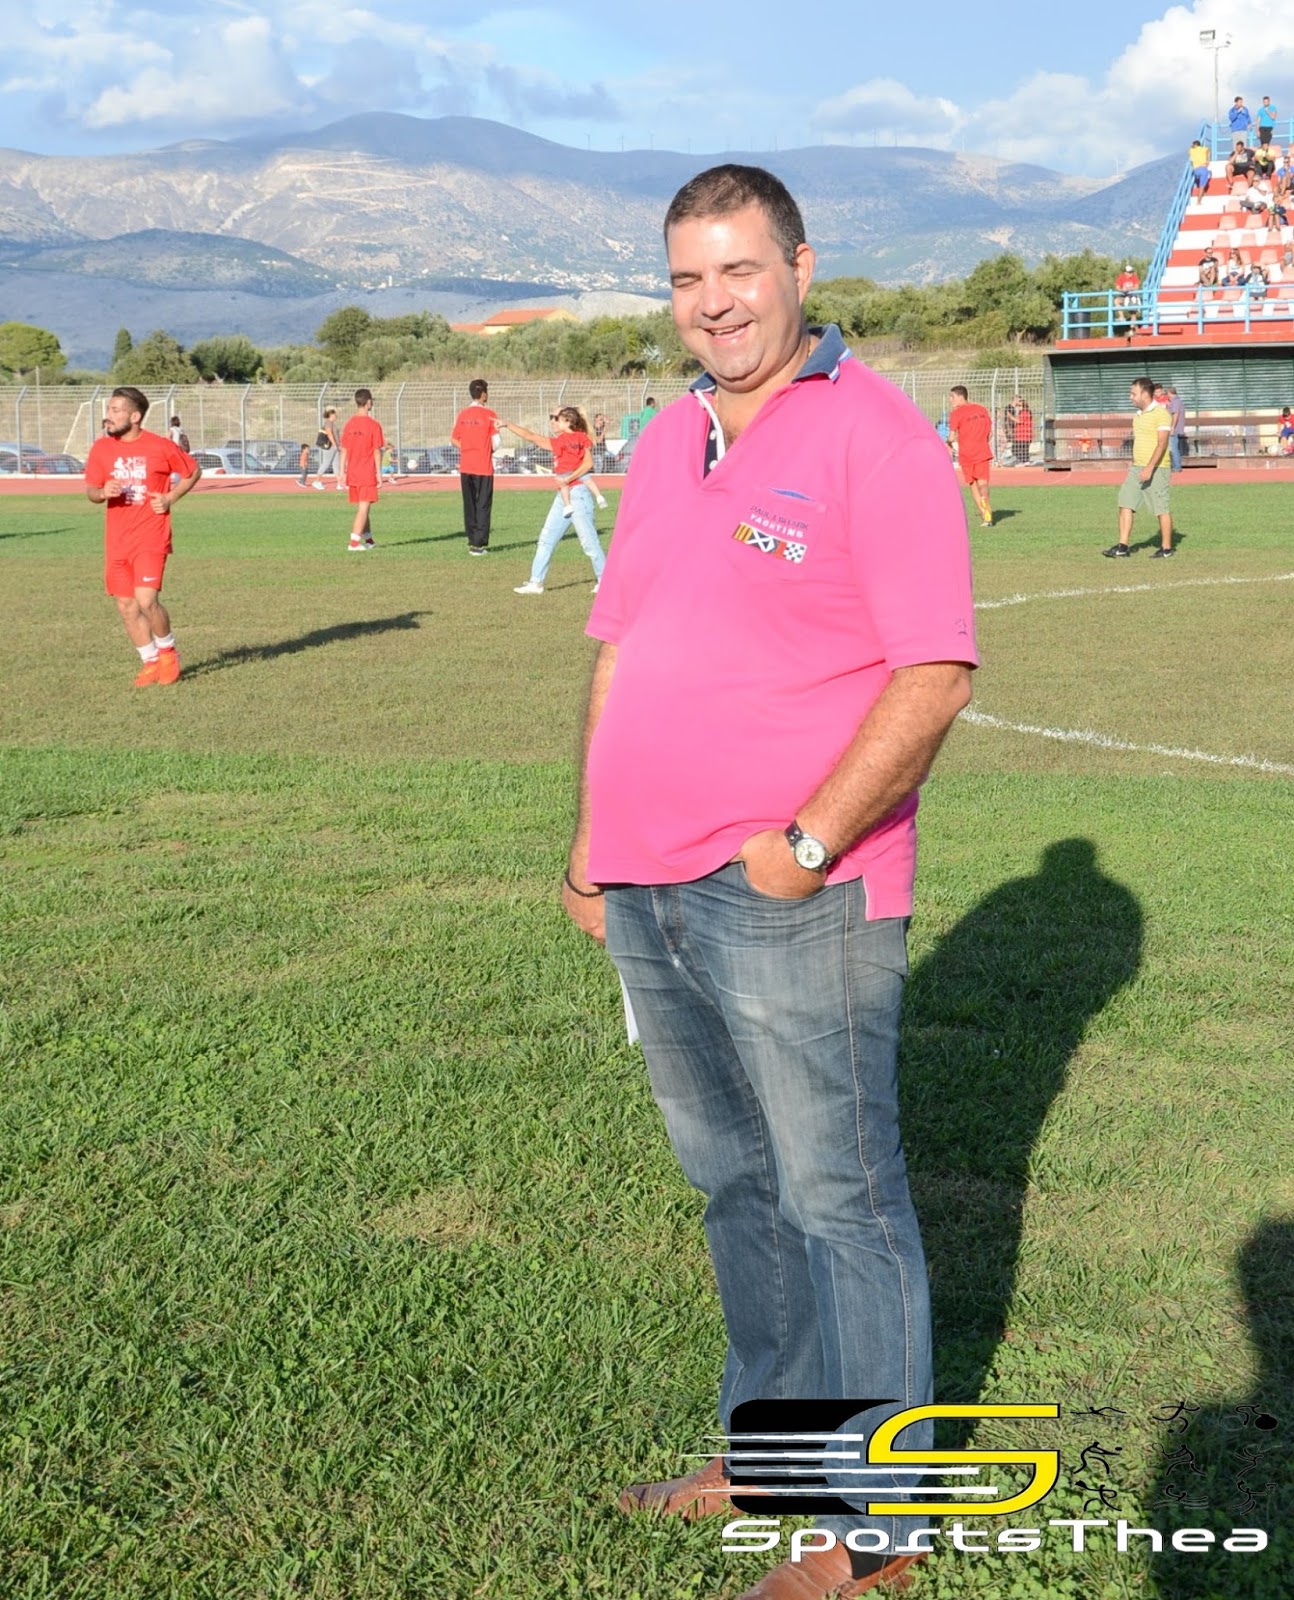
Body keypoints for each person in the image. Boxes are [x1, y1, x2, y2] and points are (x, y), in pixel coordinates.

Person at [564, 163, 977, 1600]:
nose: (713, 302)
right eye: (687, 278)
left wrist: (805, 845)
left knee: (836, 1197)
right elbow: (620, 646)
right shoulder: (666, 437)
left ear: (800, 267)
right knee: (735, 1184)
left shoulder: (876, 437)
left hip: (791, 891)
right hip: (646, 881)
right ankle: (771, 1455)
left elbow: (933, 674)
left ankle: (875, 1532)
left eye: (738, 269)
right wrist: (588, 842)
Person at [84, 386, 201, 685]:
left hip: (151, 536)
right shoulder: (101, 448)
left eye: (115, 410)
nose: (108, 416)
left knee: (147, 600)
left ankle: (168, 653)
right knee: (126, 606)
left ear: (134, 417)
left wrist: (170, 497)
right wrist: (102, 493)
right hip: (117, 541)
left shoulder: (160, 446)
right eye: (108, 409)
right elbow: (91, 491)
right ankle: (150, 661)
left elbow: (192, 471)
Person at [507, 407, 606, 594]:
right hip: (563, 496)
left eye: (557, 418)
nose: (553, 421)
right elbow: (530, 436)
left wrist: (567, 480)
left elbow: (588, 463)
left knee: (589, 542)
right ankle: (536, 582)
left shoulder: (579, 438)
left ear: (568, 422)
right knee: (546, 539)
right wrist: (507, 424)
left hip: (578, 494)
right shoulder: (561, 441)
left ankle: (605, 581)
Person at [1103, 376, 1173, 559]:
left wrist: (1149, 468)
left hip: (1157, 468)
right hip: (1136, 468)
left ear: (1145, 394)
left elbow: (1162, 444)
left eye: (1133, 393)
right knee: (1125, 503)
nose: (1130, 397)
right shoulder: (1138, 416)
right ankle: (1123, 547)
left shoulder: (1161, 414)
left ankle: (1166, 549)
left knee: (1161, 508)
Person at [450, 378, 500, 553]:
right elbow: (496, 442)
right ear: (483, 394)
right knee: (483, 504)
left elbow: (454, 439)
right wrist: (485, 449)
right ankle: (480, 543)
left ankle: (472, 539)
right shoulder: (490, 414)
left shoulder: (463, 414)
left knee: (469, 504)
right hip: (483, 466)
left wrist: (467, 448)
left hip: (466, 466)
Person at [339, 388, 383, 552]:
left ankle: (369, 540)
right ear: (368, 402)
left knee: (363, 508)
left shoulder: (350, 424)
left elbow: (344, 449)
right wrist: (379, 474)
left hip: (353, 472)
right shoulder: (373, 425)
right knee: (363, 509)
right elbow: (376, 451)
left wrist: (342, 472)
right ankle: (354, 543)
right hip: (366, 473)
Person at [947, 384, 994, 525]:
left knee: (973, 484)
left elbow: (952, 436)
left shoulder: (956, 413)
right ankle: (987, 509)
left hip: (967, 454)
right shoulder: (982, 409)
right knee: (983, 483)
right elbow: (990, 433)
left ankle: (985, 515)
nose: (950, 400)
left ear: (961, 397)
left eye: (952, 396)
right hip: (983, 451)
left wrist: (948, 443)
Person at [299, 407, 340, 489]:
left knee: (336, 465)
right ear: (331, 415)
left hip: (335, 447)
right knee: (326, 463)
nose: (336, 416)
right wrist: (334, 444)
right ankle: (317, 481)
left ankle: (340, 483)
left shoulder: (332, 423)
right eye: (335, 414)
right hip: (330, 447)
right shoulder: (328, 423)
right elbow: (329, 434)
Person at [1006, 393, 1034, 465]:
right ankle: (1025, 461)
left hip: (1024, 435)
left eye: (1020, 406)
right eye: (1018, 405)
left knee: (1018, 449)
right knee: (1022, 450)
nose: (1018, 407)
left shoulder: (1025, 412)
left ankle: (1024, 461)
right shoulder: (1022, 412)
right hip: (1021, 435)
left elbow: (1019, 421)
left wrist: (1010, 416)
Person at [1188, 136, 1212, 203]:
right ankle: (1199, 201)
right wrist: (1208, 160)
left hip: (1196, 169)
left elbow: (1189, 152)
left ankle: (1200, 198)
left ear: (1195, 145)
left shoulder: (1191, 150)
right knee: (1202, 186)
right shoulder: (1204, 149)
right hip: (1203, 168)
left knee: (1201, 183)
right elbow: (1209, 150)